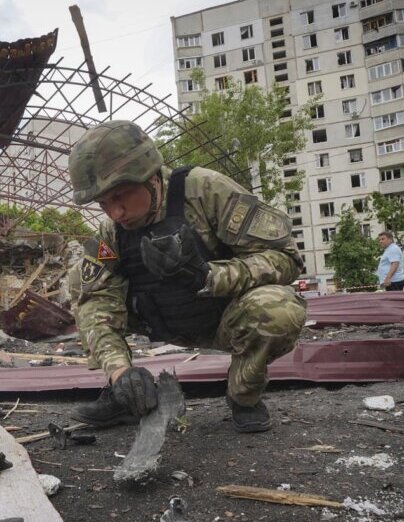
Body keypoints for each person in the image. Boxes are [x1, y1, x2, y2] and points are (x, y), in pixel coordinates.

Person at [66, 120, 307, 433]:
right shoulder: (109, 236)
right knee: (83, 286)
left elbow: (286, 258)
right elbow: (95, 301)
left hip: (224, 317)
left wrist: (209, 276)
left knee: (279, 309)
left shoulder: (206, 192)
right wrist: (120, 371)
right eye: (103, 203)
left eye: (122, 196)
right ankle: (124, 395)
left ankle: (243, 397)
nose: (115, 213)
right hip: (157, 319)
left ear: (152, 178)